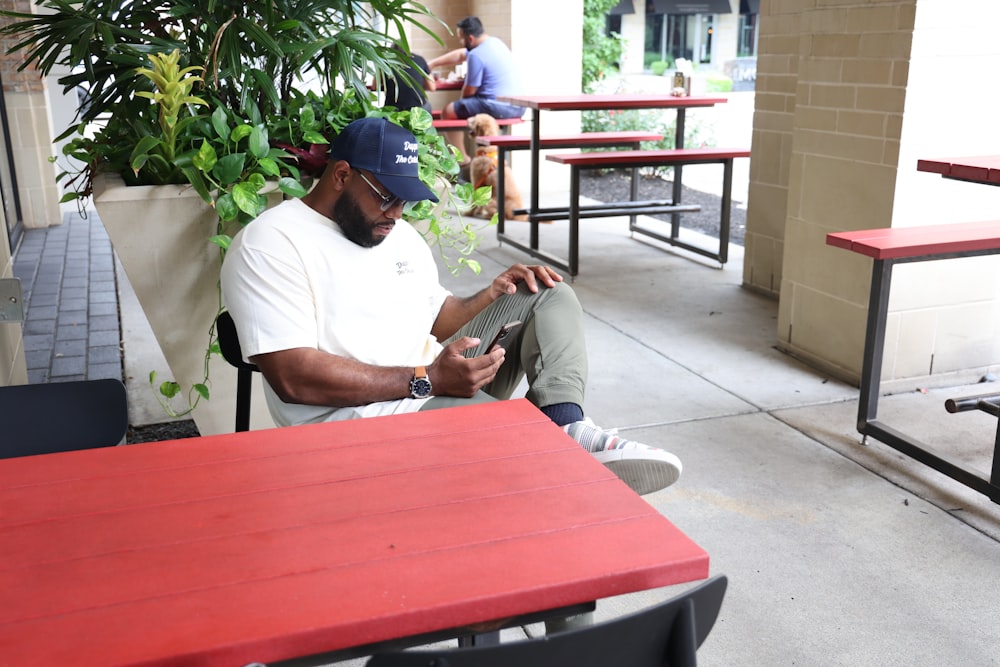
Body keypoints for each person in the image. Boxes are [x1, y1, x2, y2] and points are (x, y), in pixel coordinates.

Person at [220, 117, 682, 496]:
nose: (397, 213)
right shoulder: (271, 243)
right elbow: (293, 375)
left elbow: (436, 319)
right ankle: (549, 460)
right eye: (386, 197)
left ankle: (566, 426)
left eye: (405, 200)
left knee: (547, 293)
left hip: (429, 389)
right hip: (352, 426)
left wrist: (493, 292)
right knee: (537, 476)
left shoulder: (395, 234)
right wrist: (426, 381)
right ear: (341, 175)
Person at [427, 16, 526, 163]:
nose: (461, 42)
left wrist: (459, 104)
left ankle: (462, 159)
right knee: (458, 109)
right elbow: (461, 54)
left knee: (448, 111)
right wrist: (432, 64)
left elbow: (469, 92)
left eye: (461, 38)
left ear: (470, 38)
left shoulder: (476, 55)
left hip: (499, 106)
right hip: (518, 105)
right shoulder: (495, 43)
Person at [384, 43, 436, 113]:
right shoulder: (419, 59)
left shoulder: (386, 62)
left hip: (394, 110)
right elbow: (432, 87)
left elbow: (374, 86)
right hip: (418, 109)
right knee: (427, 106)